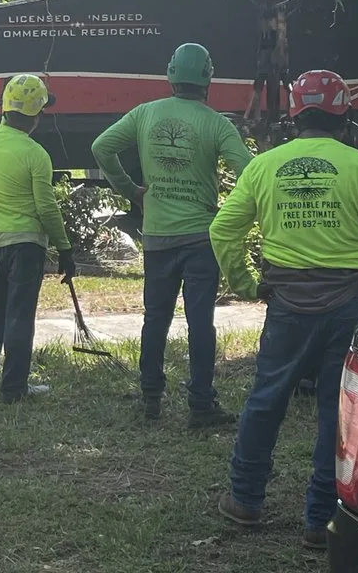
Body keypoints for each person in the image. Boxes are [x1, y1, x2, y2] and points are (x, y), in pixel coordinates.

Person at [211, 69, 358, 550]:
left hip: (285, 304)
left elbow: (222, 230)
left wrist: (246, 283)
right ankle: (321, 521)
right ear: (344, 116)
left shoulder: (265, 166)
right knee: (338, 413)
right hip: (349, 304)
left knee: (265, 399)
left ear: (295, 116)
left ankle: (245, 500)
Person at [91, 43, 252, 426]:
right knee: (200, 322)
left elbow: (102, 147)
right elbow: (250, 171)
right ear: (208, 78)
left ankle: (151, 397)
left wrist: (130, 190)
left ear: (171, 74)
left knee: (156, 318)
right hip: (201, 239)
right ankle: (201, 404)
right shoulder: (216, 124)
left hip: (158, 237)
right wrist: (231, 212)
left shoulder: (146, 113)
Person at [0, 73, 76, 404]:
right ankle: (14, 387)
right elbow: (46, 208)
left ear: (3, 106)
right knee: (19, 315)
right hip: (27, 245)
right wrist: (66, 249)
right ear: (37, 115)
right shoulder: (37, 154)